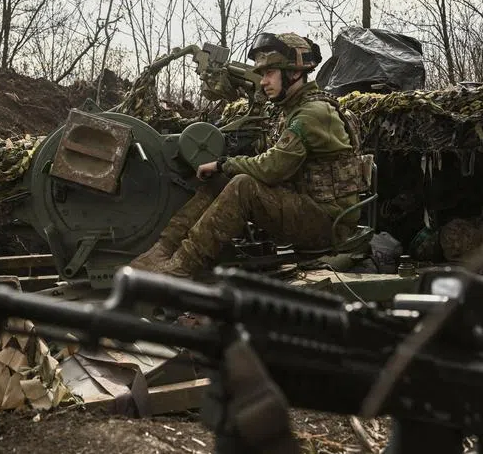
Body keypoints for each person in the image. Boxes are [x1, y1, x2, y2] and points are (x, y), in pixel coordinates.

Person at [130, 32, 370, 278]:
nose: (263, 81)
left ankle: (181, 266)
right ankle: (163, 249)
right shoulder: (295, 109)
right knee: (220, 179)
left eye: (269, 73)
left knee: (242, 186)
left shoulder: (312, 113)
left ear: (294, 73)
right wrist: (223, 168)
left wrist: (226, 163)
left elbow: (273, 168)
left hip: (329, 223)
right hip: (310, 210)